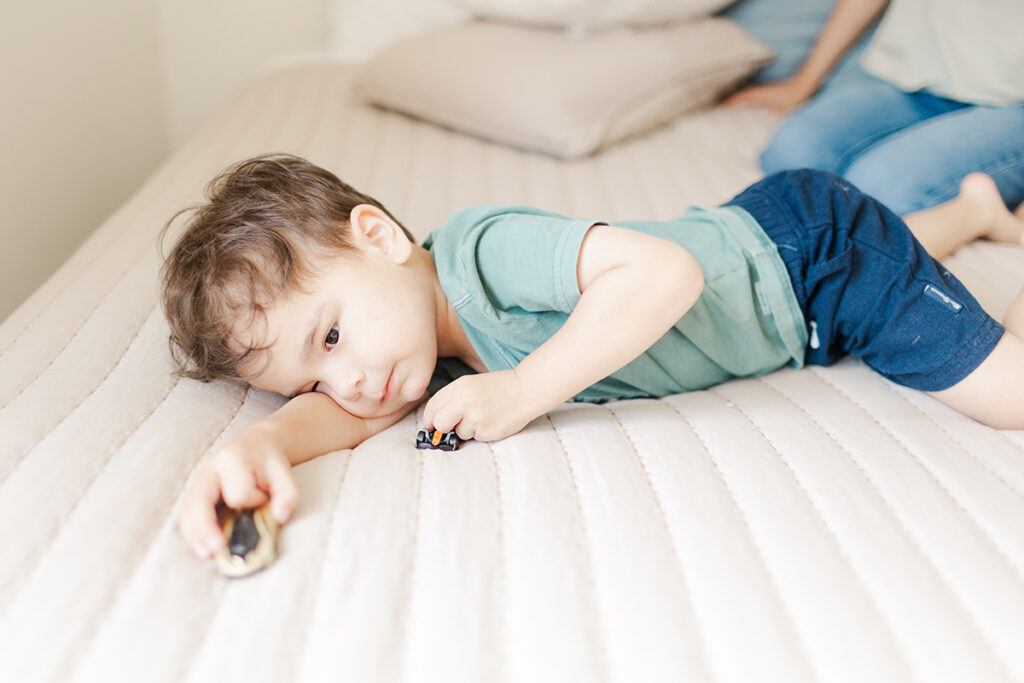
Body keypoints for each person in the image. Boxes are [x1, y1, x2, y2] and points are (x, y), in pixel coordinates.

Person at [161, 154, 1024, 560]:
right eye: (310, 379)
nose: (346, 381)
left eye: (332, 338)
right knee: (906, 257)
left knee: (1008, 393)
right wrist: (256, 448)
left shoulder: (483, 257)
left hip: (811, 254)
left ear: (381, 237)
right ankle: (975, 205)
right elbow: (345, 416)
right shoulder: (409, 350)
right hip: (776, 287)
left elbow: (668, 271)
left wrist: (526, 390)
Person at [723, 0, 1024, 216]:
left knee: (879, 190)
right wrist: (805, 81)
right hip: (916, 79)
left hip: (1013, 104)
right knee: (791, 152)